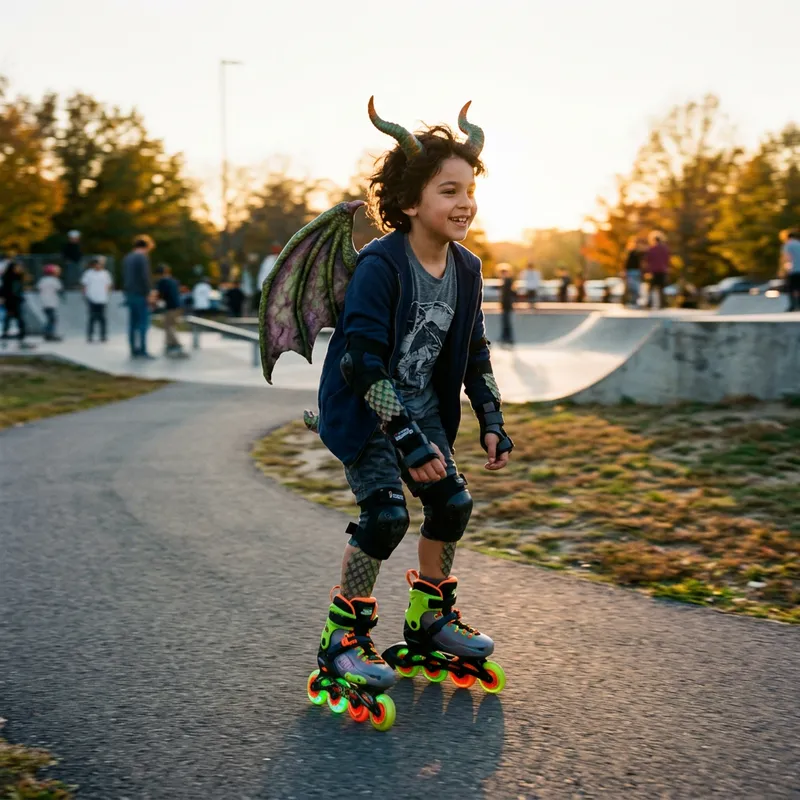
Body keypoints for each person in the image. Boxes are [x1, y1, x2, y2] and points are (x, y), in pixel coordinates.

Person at [310, 99, 514, 704]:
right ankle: (342, 638)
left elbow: (474, 350)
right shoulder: (381, 264)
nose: (465, 203)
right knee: (387, 516)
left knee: (451, 505)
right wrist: (405, 438)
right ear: (409, 204)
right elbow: (359, 361)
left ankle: (429, 622)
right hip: (367, 410)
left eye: (469, 190)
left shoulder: (468, 269)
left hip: (422, 412)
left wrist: (491, 418)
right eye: (448, 190)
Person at [122, 235, 155, 358]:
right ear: (145, 247)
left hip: (130, 293)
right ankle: (142, 349)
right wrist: (148, 294)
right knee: (143, 323)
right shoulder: (142, 258)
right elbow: (144, 277)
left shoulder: (127, 258)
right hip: (140, 294)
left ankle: (133, 350)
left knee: (132, 323)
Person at [155, 264, 188, 357]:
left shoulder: (163, 282)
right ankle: (169, 343)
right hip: (179, 306)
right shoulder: (174, 280)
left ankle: (176, 344)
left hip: (171, 307)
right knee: (168, 324)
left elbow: (160, 294)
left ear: (159, 274)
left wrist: (155, 303)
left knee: (169, 326)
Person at [1, 260, 34, 349]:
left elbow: (22, 286)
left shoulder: (19, 277)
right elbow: (4, 288)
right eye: (18, 268)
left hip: (17, 299)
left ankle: (21, 332)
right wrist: (2, 297)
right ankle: (6, 332)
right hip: (10, 299)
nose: (19, 269)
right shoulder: (7, 277)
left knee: (18, 316)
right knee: (10, 315)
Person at [81, 256, 113, 342]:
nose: (98, 266)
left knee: (102, 318)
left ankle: (103, 335)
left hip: (102, 299)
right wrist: (85, 295)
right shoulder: (88, 273)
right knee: (92, 317)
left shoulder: (105, 273)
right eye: (96, 264)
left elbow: (108, 285)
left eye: (99, 264)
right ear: (94, 265)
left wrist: (107, 295)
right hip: (91, 298)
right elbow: (84, 285)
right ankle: (90, 335)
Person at [37, 264, 64, 341]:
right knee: (52, 319)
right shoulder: (55, 281)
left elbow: (39, 288)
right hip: (51, 303)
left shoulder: (42, 280)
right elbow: (59, 289)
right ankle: (49, 333)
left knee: (50, 319)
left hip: (44, 302)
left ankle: (48, 333)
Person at [646, 230, 670, 309]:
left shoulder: (652, 249)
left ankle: (649, 303)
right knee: (661, 289)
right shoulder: (665, 249)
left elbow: (648, 260)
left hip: (654, 271)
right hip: (663, 270)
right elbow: (667, 259)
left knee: (651, 288)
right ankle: (662, 304)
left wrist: (647, 271)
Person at [780, 229, 800, 312]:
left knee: (791, 289)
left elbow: (786, 258)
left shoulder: (788, 245)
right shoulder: (799, 244)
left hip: (793, 270)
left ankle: (793, 305)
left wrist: (783, 270)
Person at [623, 236, 645, 307]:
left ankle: (634, 301)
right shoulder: (630, 252)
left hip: (636, 271)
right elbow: (627, 263)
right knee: (631, 287)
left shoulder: (639, 253)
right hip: (631, 271)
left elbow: (641, 263)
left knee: (635, 287)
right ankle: (630, 301)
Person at [497, 263, 515, 345]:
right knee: (505, 322)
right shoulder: (506, 282)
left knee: (506, 322)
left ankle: (508, 337)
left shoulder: (508, 281)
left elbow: (509, 294)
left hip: (507, 305)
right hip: (505, 305)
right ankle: (505, 337)